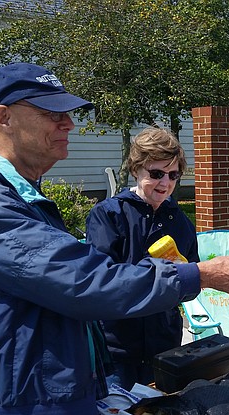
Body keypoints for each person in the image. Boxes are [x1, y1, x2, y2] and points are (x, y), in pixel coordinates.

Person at [0, 62, 229, 415]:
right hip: (29, 414)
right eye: (52, 114)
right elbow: (88, 282)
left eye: (173, 176)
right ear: (4, 118)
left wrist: (191, 276)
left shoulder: (17, 196)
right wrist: (199, 274)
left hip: (58, 394)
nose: (68, 124)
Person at [85, 127, 198, 388]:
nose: (165, 183)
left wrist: (186, 277)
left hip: (165, 346)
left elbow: (193, 287)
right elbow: (101, 282)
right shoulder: (109, 215)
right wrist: (160, 273)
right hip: (118, 350)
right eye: (156, 174)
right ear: (136, 170)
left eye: (173, 175)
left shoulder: (181, 222)